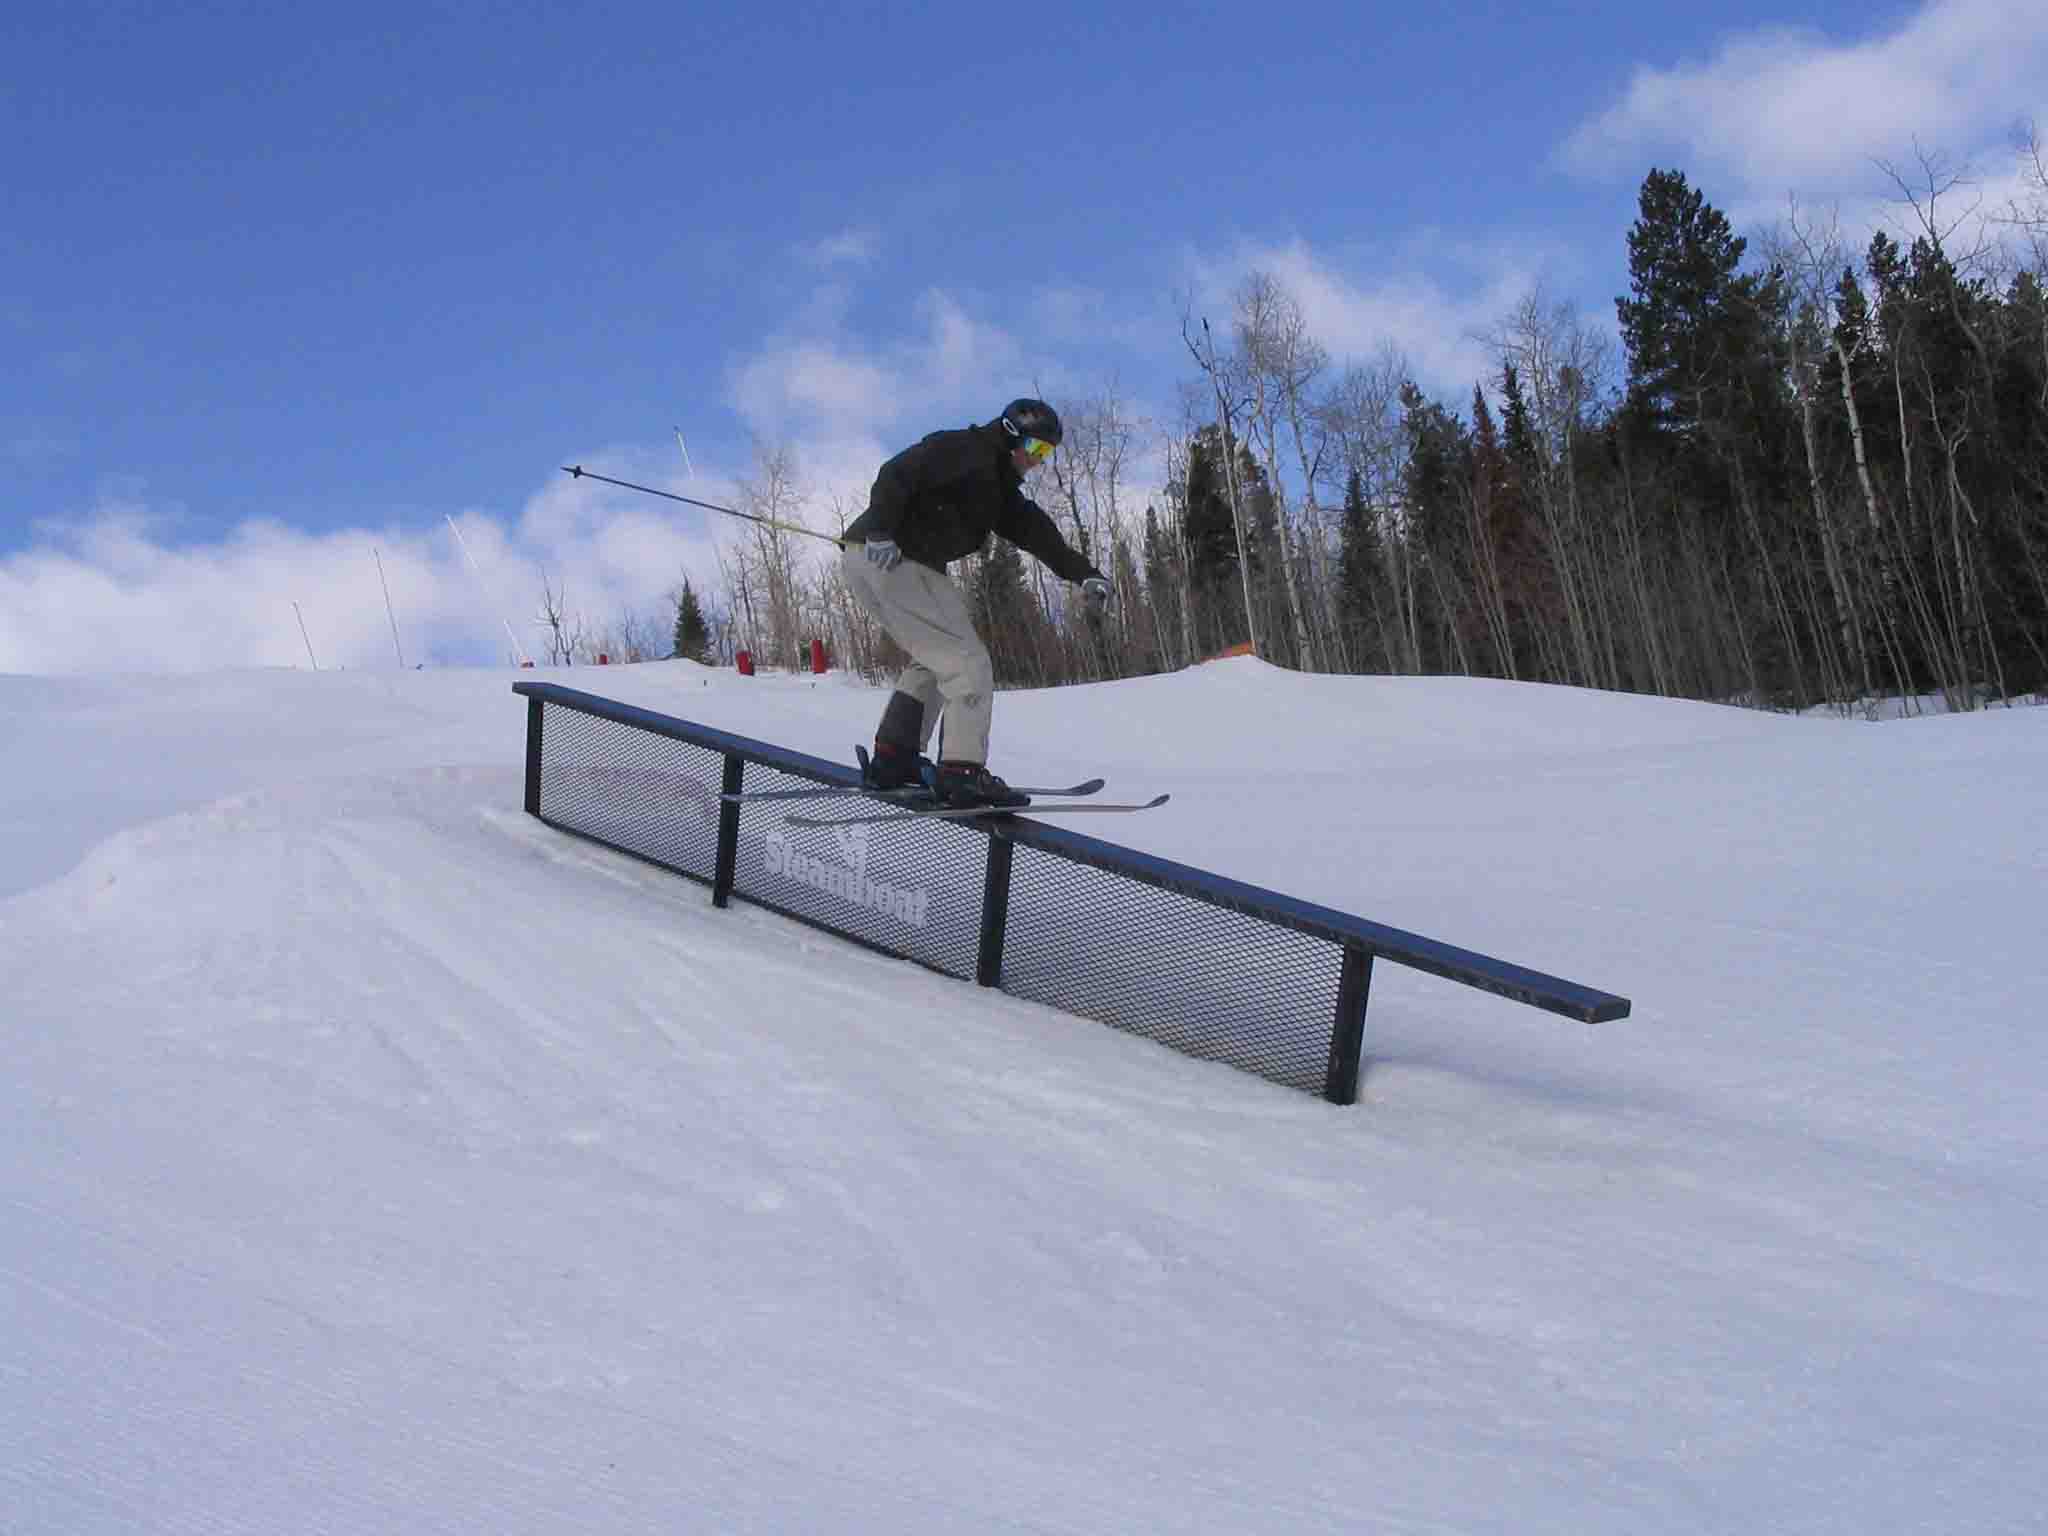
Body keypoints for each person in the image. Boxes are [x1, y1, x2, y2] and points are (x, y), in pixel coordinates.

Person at [841, 397, 1111, 808]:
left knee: (932, 659)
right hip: (892, 556)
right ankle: (961, 773)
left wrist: (1084, 573)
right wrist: (880, 528)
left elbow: (1038, 534)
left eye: (1047, 453)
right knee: (968, 662)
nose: (1038, 461)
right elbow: (897, 472)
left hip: (869, 560)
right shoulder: (967, 452)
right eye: (1036, 449)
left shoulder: (997, 491)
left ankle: (894, 757)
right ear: (1010, 434)